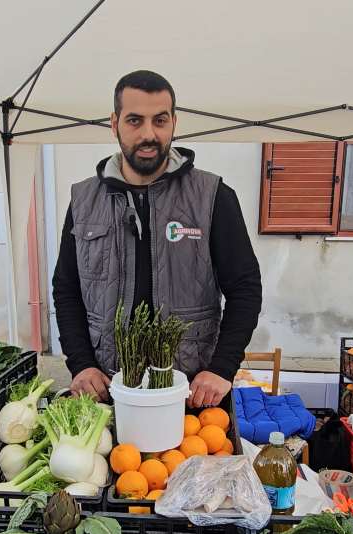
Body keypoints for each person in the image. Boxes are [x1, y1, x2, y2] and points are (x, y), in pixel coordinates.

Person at [52, 70, 262, 408]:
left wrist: (221, 369)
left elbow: (245, 288)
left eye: (160, 120)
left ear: (174, 123)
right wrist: (81, 364)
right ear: (114, 123)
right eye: (135, 120)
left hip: (191, 395)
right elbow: (67, 290)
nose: (149, 134)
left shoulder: (212, 196)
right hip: (108, 392)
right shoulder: (83, 201)